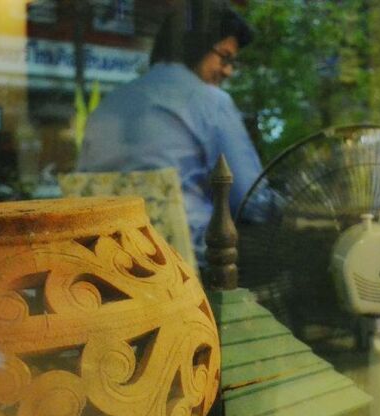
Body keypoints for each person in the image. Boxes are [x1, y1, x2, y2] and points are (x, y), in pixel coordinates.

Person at [77, 0, 262, 266]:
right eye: (225, 57)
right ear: (197, 44)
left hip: (108, 265)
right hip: (189, 267)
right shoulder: (210, 101)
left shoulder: (108, 105)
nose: (228, 71)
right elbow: (250, 201)